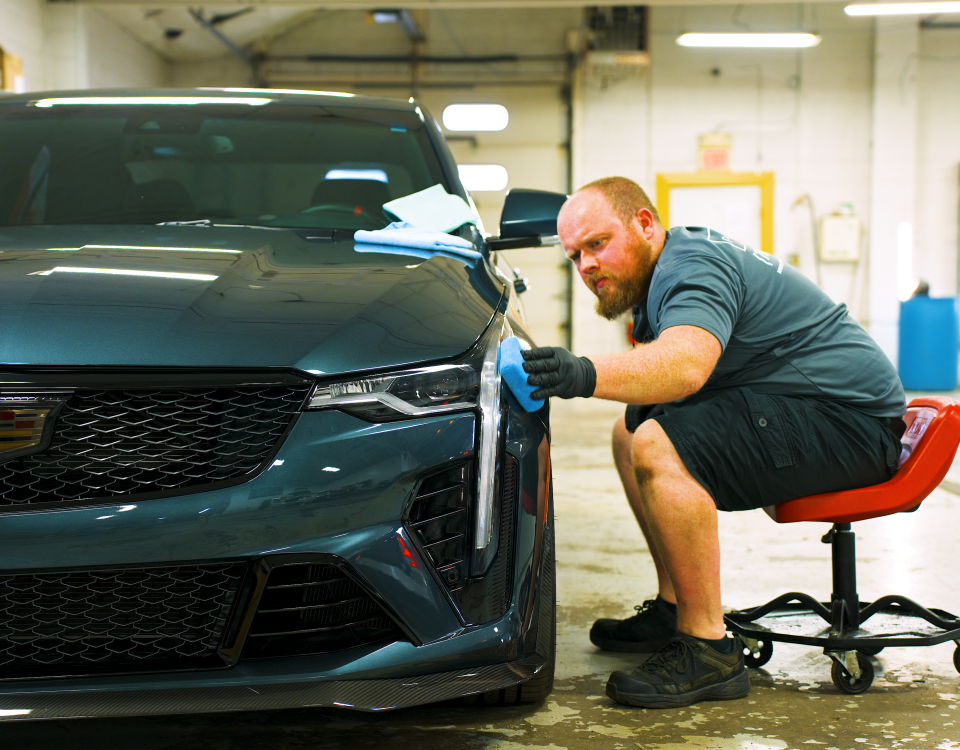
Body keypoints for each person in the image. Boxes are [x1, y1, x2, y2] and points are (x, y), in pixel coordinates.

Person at [519, 176, 905, 709]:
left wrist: (582, 373)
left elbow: (686, 364)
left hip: (852, 426)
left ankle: (708, 649)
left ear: (645, 224)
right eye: (574, 256)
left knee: (658, 444)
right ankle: (674, 606)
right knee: (629, 432)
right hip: (822, 410)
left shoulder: (690, 266)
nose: (585, 266)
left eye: (597, 244)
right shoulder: (667, 269)